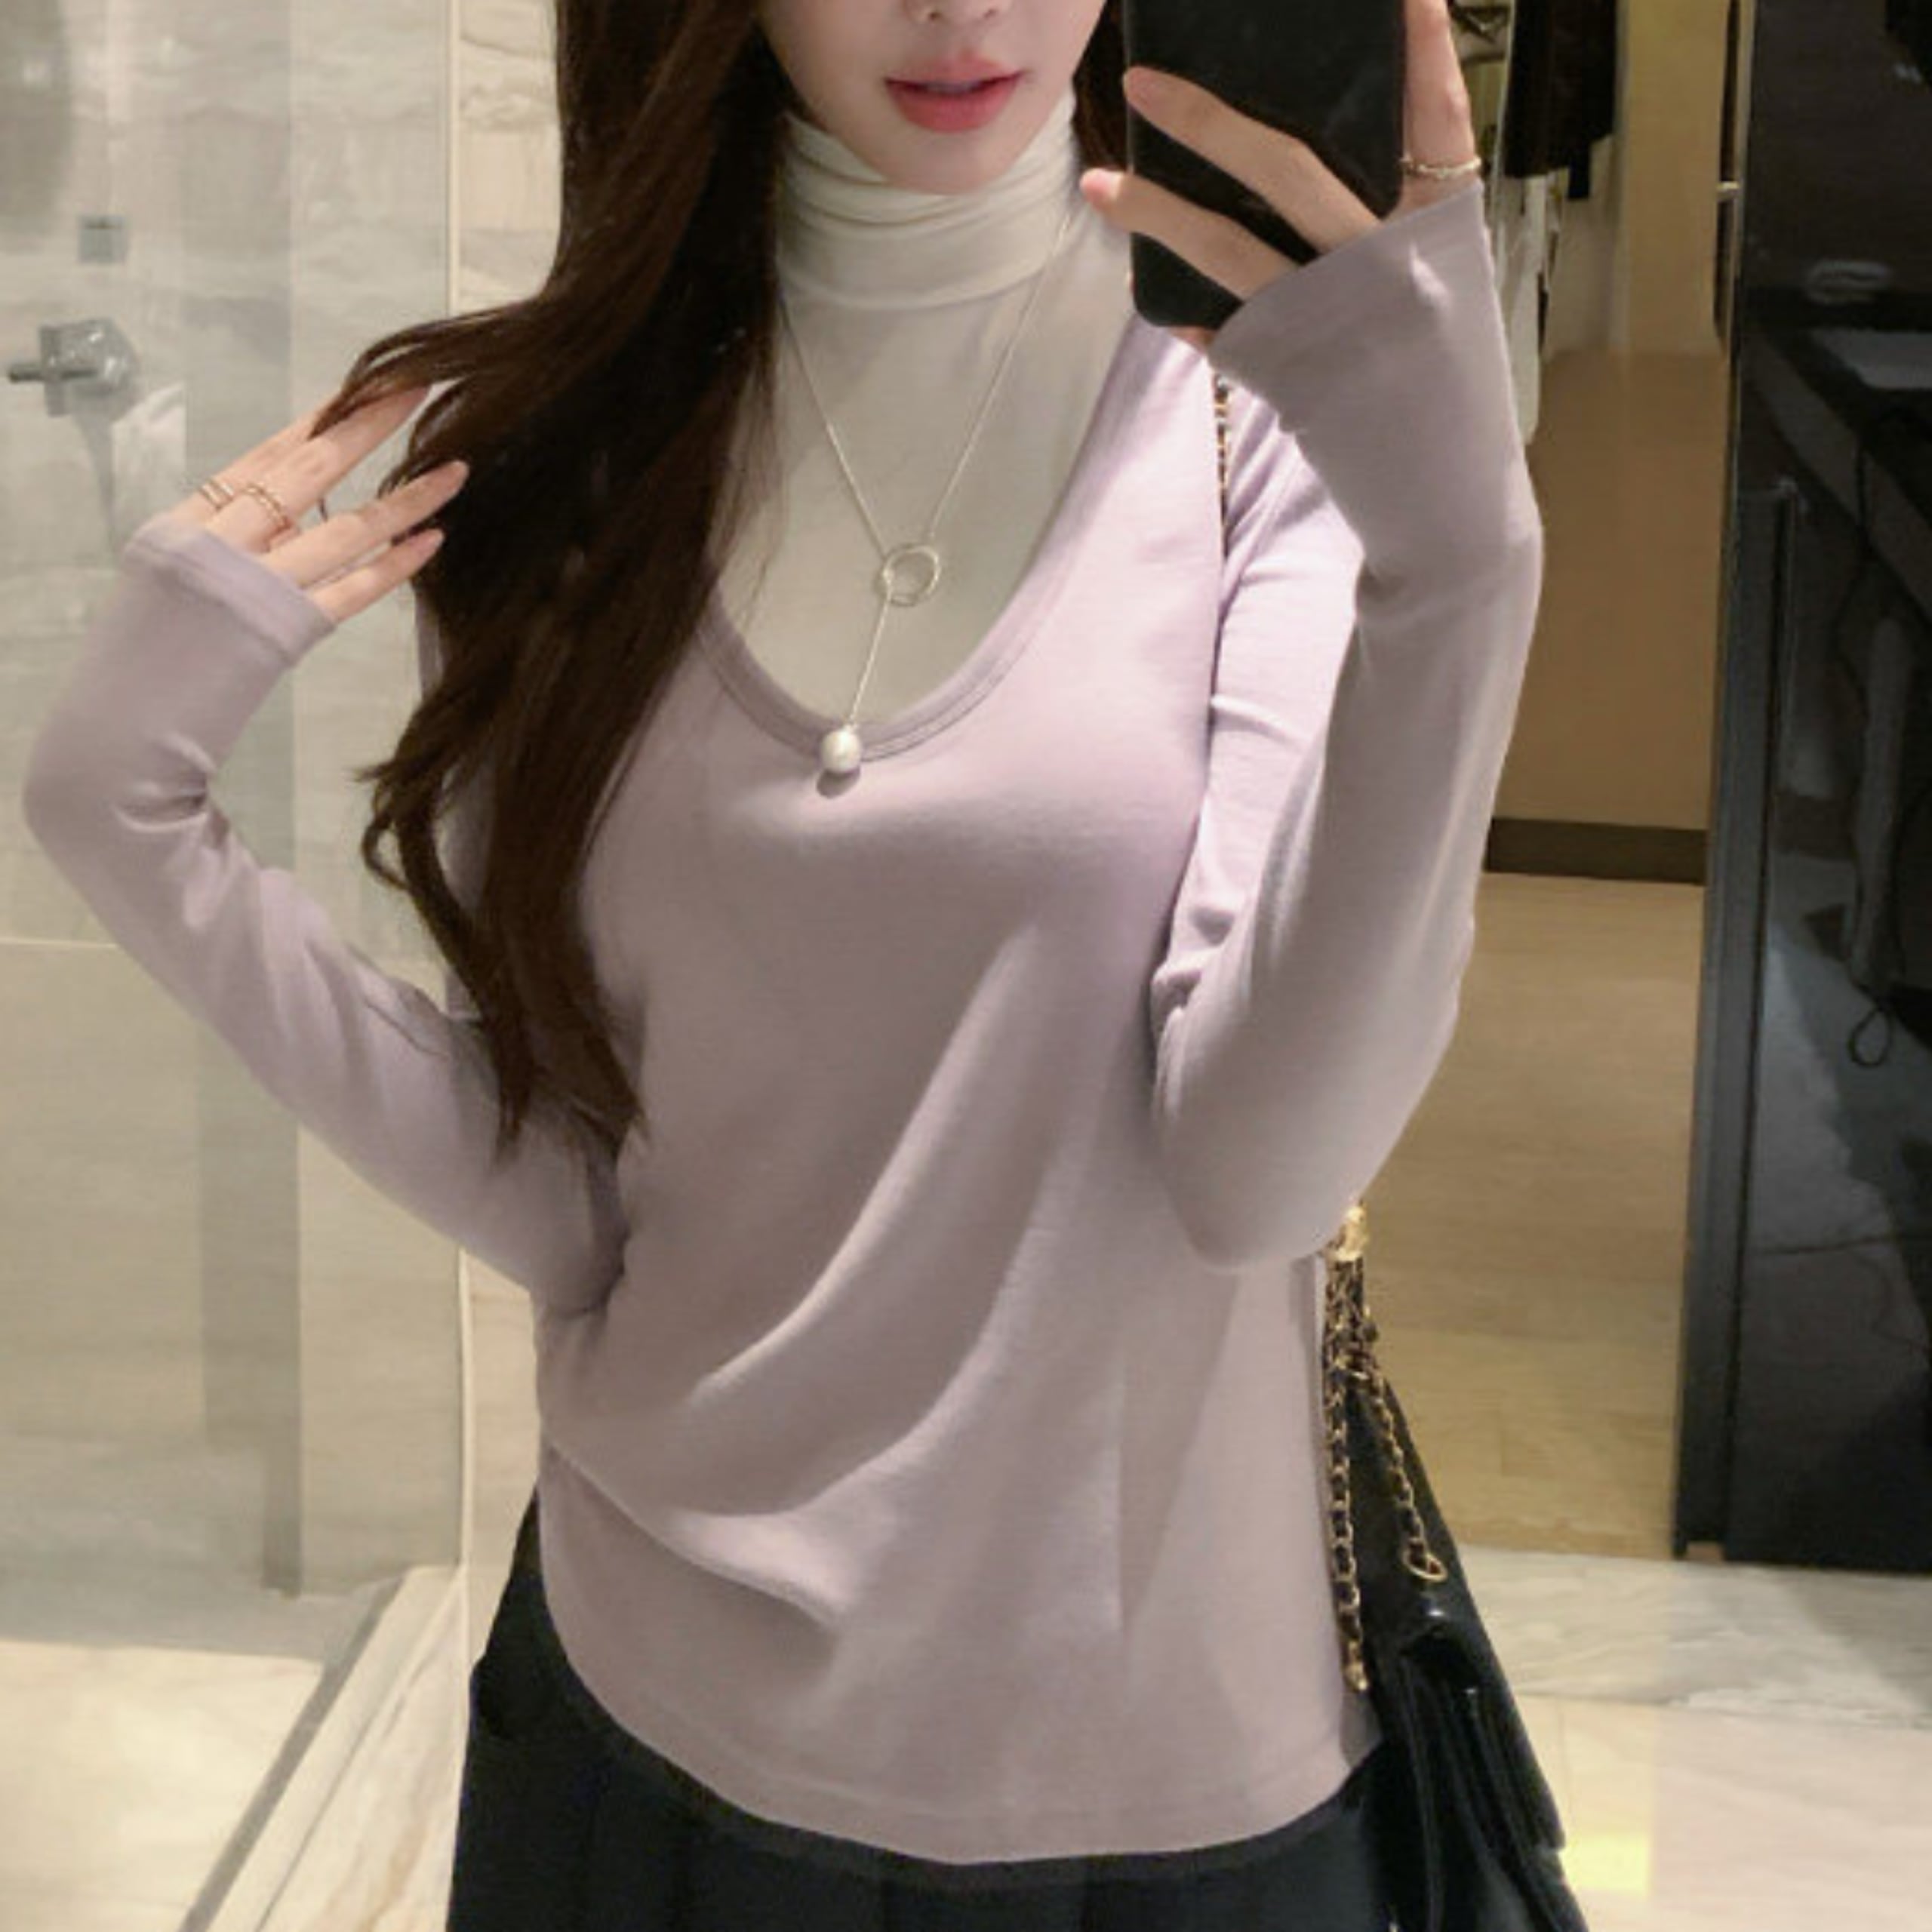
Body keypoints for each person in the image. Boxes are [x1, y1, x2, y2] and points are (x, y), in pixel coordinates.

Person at [20, 0, 1542, 1924]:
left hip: (1149, 1770)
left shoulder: (1265, 422)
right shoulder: (563, 458)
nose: (959, 9)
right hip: (638, 1718)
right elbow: (581, 1201)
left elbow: (1258, 1168)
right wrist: (126, 817)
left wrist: (1460, 566)